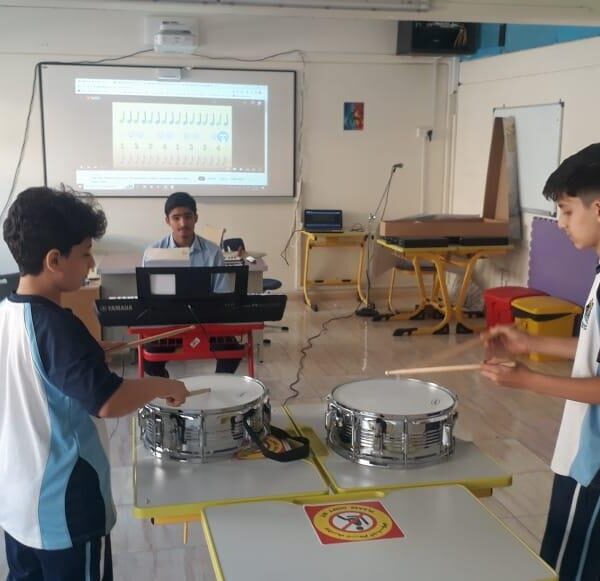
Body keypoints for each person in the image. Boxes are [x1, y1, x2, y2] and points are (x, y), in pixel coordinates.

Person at [0, 187, 189, 581]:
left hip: (16, 503)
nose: (91, 262)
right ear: (54, 260)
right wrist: (161, 385)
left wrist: (85, 354)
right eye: (85, 253)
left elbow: (34, 369)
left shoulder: (6, 312)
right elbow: (109, 400)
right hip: (65, 508)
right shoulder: (58, 327)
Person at [481, 143, 600, 581]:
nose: (561, 223)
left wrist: (529, 380)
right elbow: (592, 348)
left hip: (593, 467)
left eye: (567, 211)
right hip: (581, 460)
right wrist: (529, 341)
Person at [142, 191, 241, 378]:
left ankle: (216, 387)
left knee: (232, 353)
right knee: (149, 361)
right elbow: (148, 297)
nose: (183, 223)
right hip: (168, 324)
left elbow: (223, 292)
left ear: (196, 218)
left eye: (188, 216)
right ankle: (172, 390)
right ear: (167, 221)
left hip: (206, 321)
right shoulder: (153, 252)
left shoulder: (213, 252)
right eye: (176, 218)